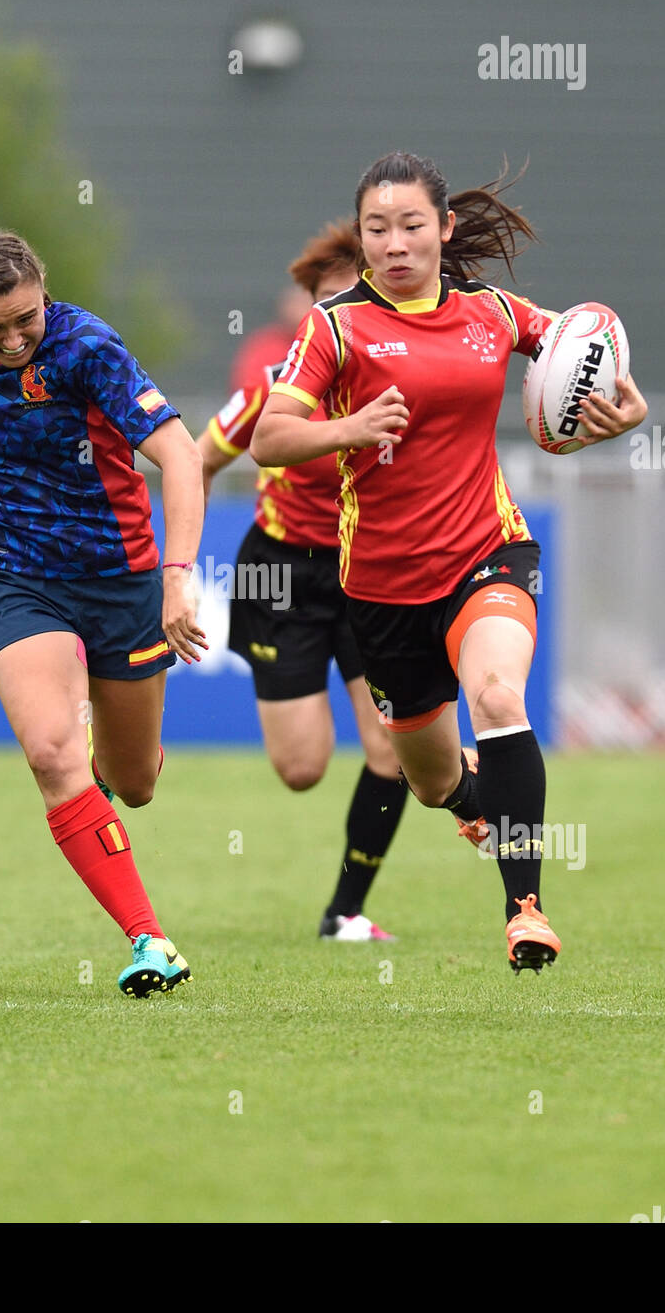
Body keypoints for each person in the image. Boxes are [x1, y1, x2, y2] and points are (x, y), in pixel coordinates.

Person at [250, 154, 649, 972]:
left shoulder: (493, 312)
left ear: (444, 229)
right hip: (385, 591)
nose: (394, 243)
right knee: (427, 780)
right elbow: (269, 437)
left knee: (498, 693)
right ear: (359, 238)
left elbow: (581, 347)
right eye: (376, 228)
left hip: (486, 550)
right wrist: (347, 429)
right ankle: (476, 796)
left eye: (410, 225)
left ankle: (525, 909)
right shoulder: (332, 328)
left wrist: (622, 407)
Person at [0, 231, 208, 998]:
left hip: (120, 579)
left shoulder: (89, 348)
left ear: (42, 289)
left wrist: (177, 577)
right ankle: (150, 938)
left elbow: (181, 456)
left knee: (136, 780)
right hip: (20, 578)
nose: (16, 337)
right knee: (52, 754)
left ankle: (103, 767)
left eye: (26, 317)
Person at [200, 221, 484, 943]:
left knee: (390, 747)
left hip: (373, 568)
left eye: (347, 299)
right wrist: (175, 565)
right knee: (301, 767)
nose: (336, 317)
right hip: (280, 570)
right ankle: (463, 775)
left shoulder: (405, 375)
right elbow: (197, 459)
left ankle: (345, 911)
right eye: (323, 302)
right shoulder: (277, 384)